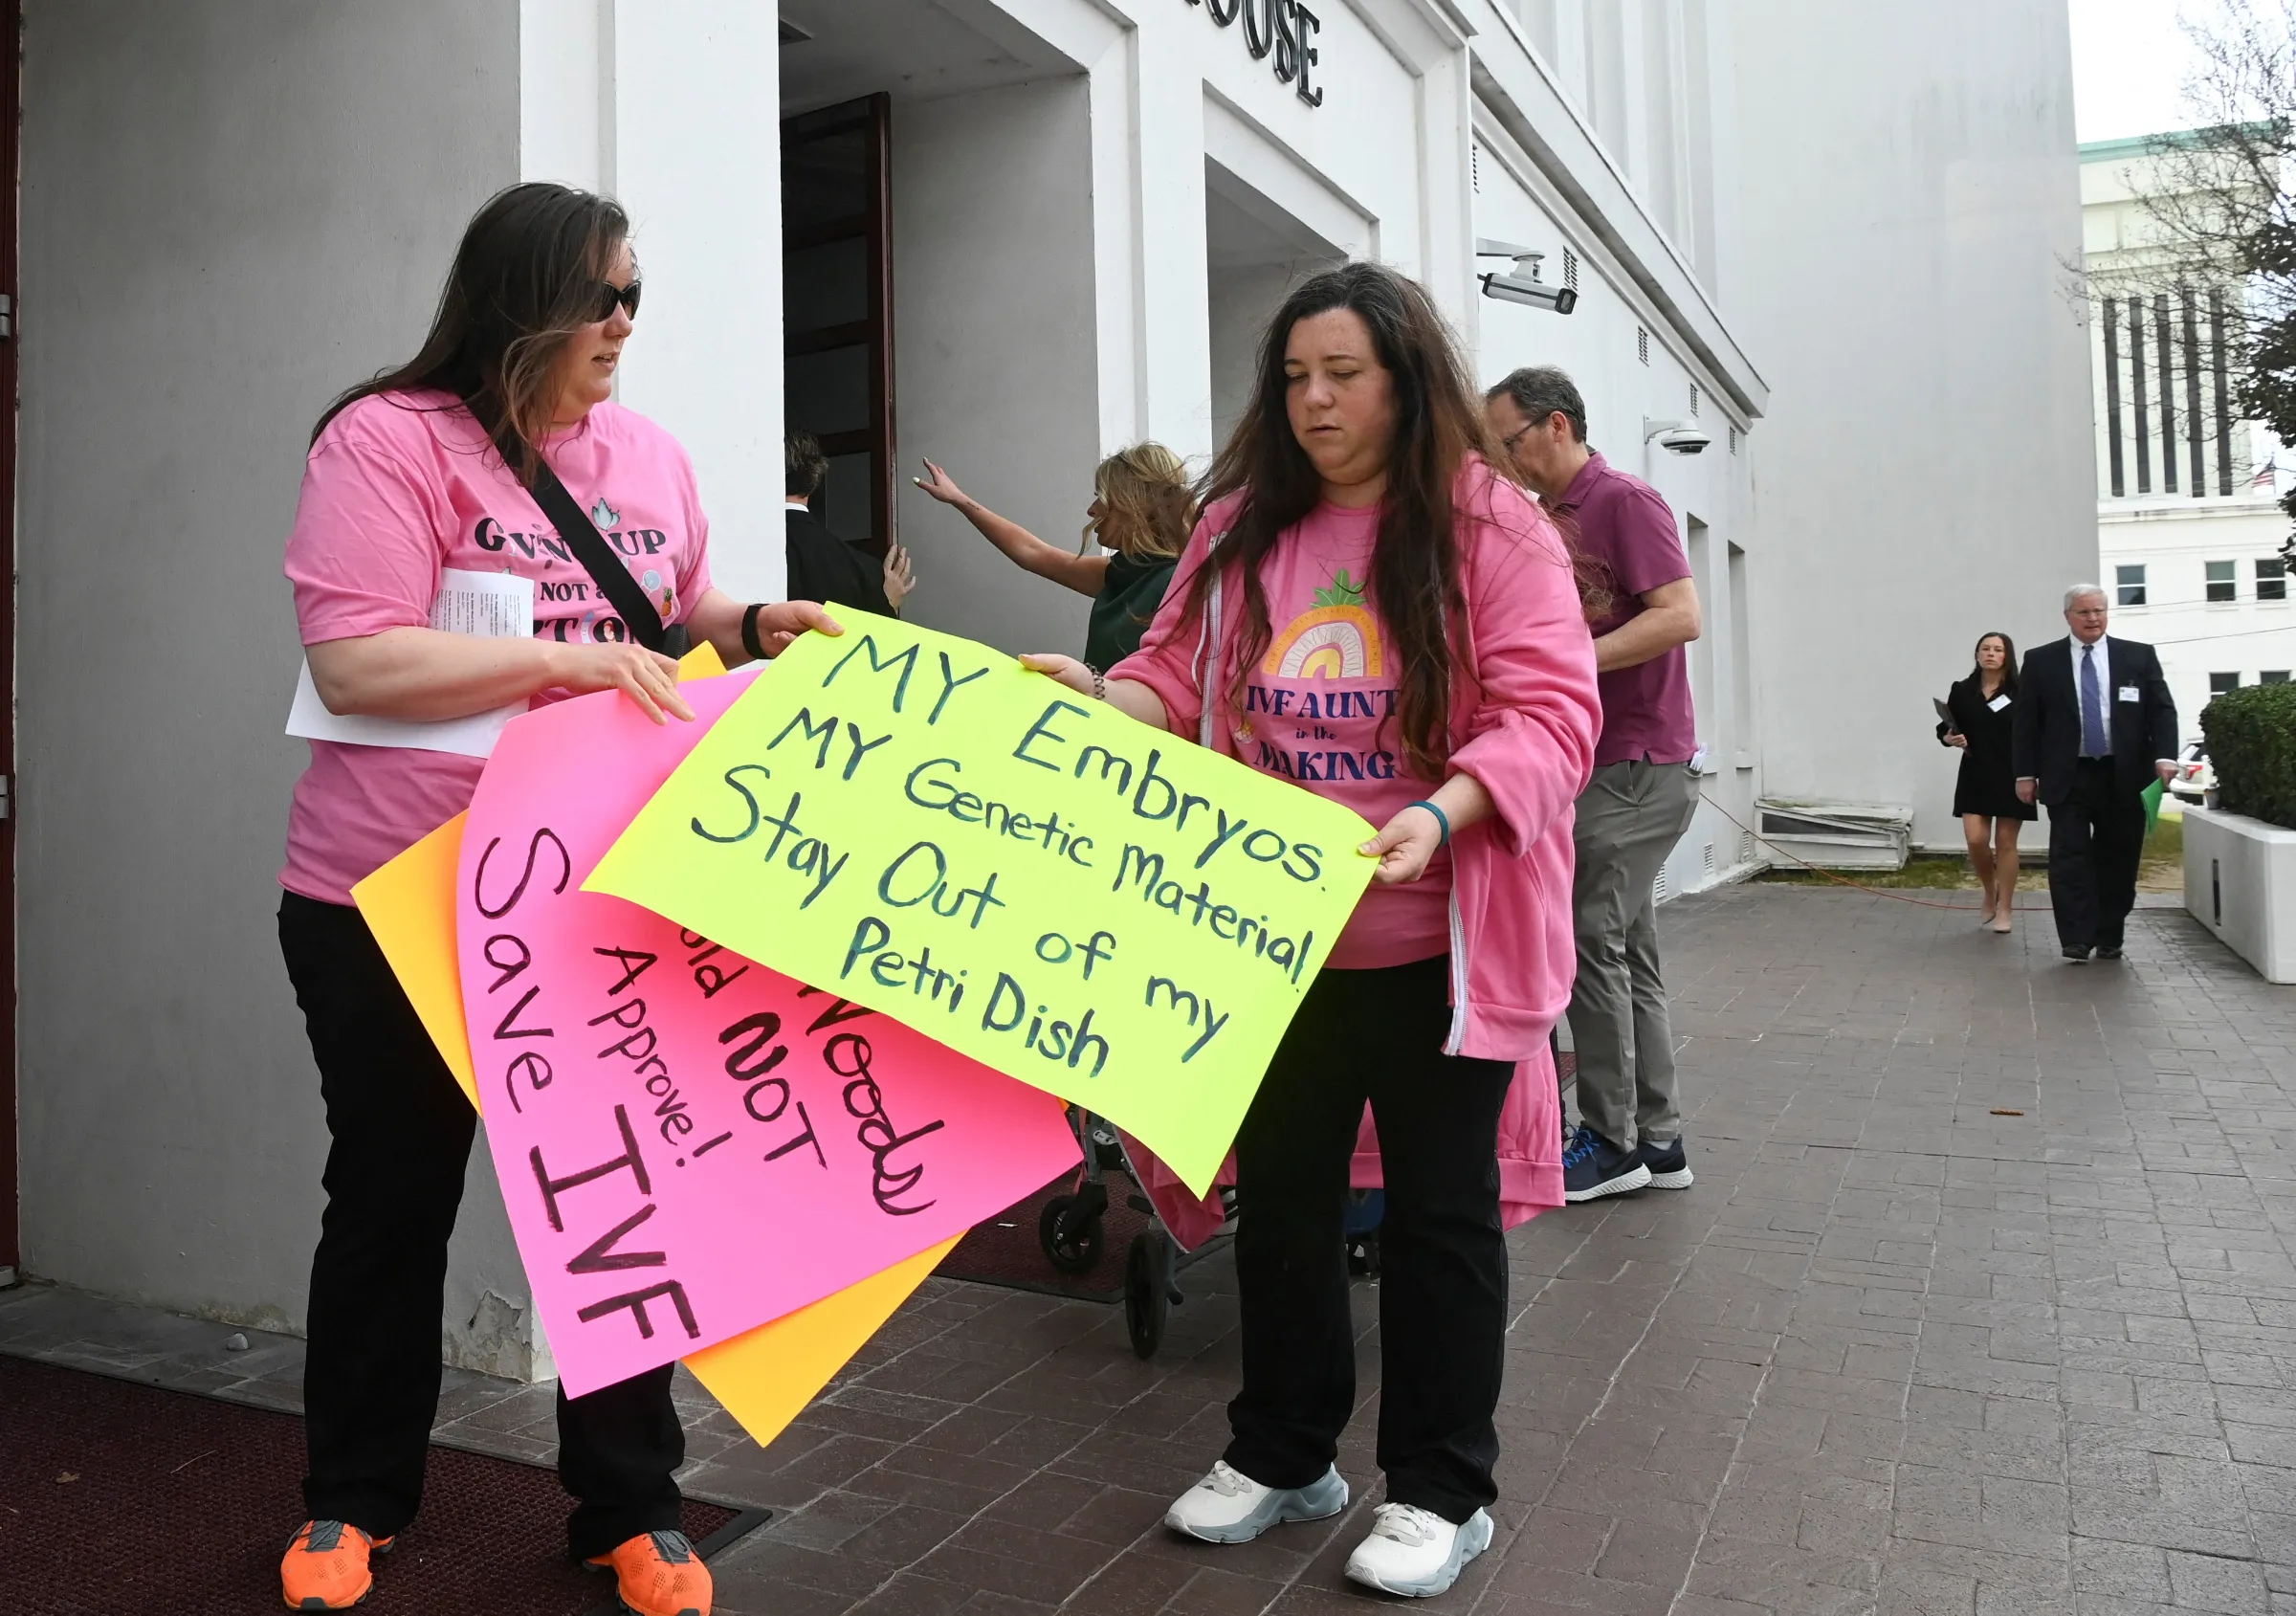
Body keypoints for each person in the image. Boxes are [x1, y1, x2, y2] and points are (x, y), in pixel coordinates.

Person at [277, 182, 835, 1616]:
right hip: (391, 894)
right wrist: (565, 666)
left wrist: (759, 624)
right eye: (602, 298)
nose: (625, 324)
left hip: (594, 898)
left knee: (615, 1207)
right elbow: (359, 663)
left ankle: (631, 1508)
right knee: (392, 1195)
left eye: (637, 294)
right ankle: (352, 1502)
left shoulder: (646, 455)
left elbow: (678, 614)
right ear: (517, 301)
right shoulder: (388, 441)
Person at [1020, 262, 1598, 1598]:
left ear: (1408, 380)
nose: (1315, 400)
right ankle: (1286, 1456)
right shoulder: (1238, 527)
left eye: (1343, 375)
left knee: (1442, 1223)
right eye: (1294, 378)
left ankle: (1444, 1490)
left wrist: (1447, 813)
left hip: (1437, 946)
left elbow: (1554, 716)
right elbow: (1170, 673)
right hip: (1267, 945)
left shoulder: (1490, 529)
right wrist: (1106, 698)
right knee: (1281, 1205)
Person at [1485, 365, 1702, 1205]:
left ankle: (1609, 1143)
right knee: (1630, 955)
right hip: (1606, 763)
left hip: (1635, 765)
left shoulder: (1624, 500)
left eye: (1510, 442)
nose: (1505, 461)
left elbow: (1679, 613)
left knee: (1584, 945)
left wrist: (1565, 660)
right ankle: (1659, 1137)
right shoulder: (1556, 517)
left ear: (1559, 426)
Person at [913, 443, 1195, 667]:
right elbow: (1032, 552)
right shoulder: (1122, 573)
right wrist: (959, 500)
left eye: (1102, 497)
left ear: (1133, 505)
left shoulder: (1181, 583)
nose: (1092, 510)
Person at [2011, 585, 2177, 962]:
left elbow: (2162, 711)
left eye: (2099, 611)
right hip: (2068, 774)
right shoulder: (2042, 660)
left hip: (2124, 773)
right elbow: (2026, 723)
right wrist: (2024, 773)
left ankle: (2109, 933)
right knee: (2069, 856)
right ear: (2068, 616)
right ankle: (2076, 937)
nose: (2093, 619)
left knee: (2118, 855)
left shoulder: (2137, 656)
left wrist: (2165, 756)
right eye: (2085, 612)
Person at [1937, 631, 2035, 935]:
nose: (1991, 653)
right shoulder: (1962, 689)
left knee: (2006, 843)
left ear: (2008, 655)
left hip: (2012, 773)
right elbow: (1946, 726)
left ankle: (2005, 908)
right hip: (1975, 772)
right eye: (1985, 648)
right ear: (1977, 654)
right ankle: (1989, 888)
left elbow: (2034, 730)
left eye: (1998, 649)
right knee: (1976, 839)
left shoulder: (2022, 690)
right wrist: (1949, 738)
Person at [784, 429, 914, 615]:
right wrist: (885, 603)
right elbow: (869, 641)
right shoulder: (864, 568)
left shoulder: (744, 546)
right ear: (814, 481)